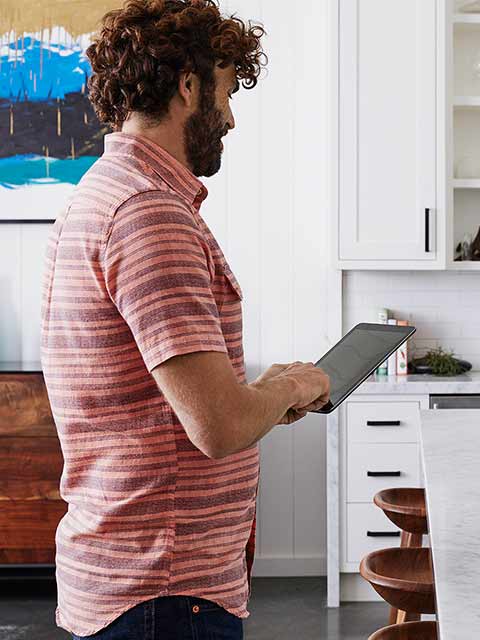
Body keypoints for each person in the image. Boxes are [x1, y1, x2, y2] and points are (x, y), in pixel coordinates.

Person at [40, 2, 329, 638]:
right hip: (164, 595)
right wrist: (296, 386)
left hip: (134, 584)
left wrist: (263, 391)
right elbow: (218, 426)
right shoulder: (150, 213)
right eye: (225, 92)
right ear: (188, 86)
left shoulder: (101, 196)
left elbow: (169, 401)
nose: (229, 117)